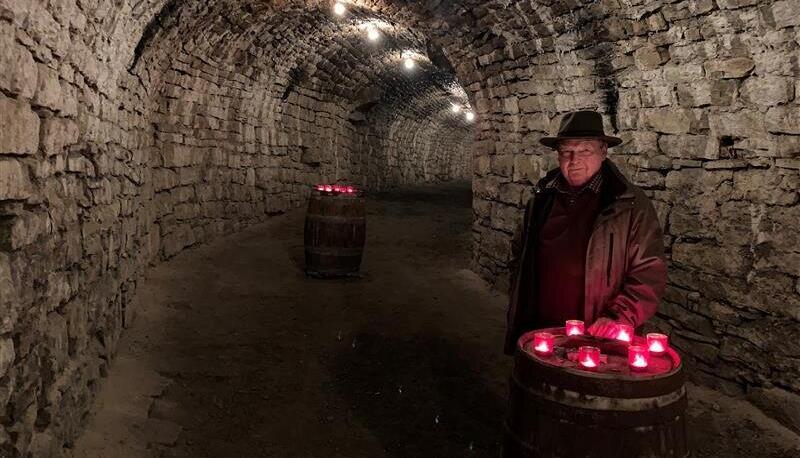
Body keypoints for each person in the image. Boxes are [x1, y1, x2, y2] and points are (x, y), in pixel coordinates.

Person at [504, 110, 667, 355]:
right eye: (566, 152)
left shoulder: (629, 205)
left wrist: (618, 316)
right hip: (539, 330)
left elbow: (649, 271)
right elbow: (519, 252)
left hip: (598, 336)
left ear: (603, 152)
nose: (574, 160)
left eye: (585, 150)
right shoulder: (541, 199)